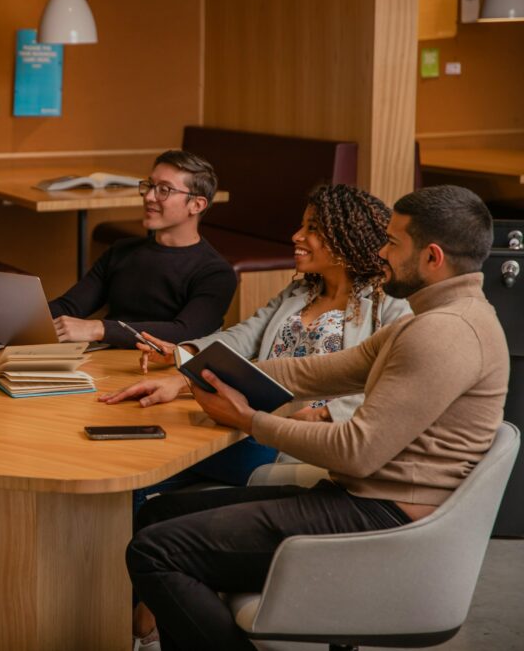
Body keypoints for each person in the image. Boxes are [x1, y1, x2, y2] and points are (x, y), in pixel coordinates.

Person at [122, 185, 508, 651]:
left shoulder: (443, 333)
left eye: (391, 243)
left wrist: (249, 421)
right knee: (159, 512)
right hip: (366, 500)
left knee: (155, 552)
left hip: (382, 520)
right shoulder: (434, 319)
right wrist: (202, 374)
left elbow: (357, 451)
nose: (380, 252)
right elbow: (316, 371)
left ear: (432, 257)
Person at [103, 184, 411, 488]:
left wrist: (326, 414)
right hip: (251, 423)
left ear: (347, 238)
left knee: (153, 456)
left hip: (306, 439)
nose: (296, 236)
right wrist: (182, 354)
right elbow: (241, 336)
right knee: (143, 464)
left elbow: (395, 385)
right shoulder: (300, 291)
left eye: (312, 229)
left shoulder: (388, 304)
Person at [47, 150, 237, 348]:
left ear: (197, 205)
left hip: (162, 370)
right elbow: (69, 306)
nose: (149, 196)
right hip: (105, 360)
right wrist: (21, 319)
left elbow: (184, 332)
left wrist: (99, 329)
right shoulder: (122, 250)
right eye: (150, 186)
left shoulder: (216, 273)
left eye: (164, 190)